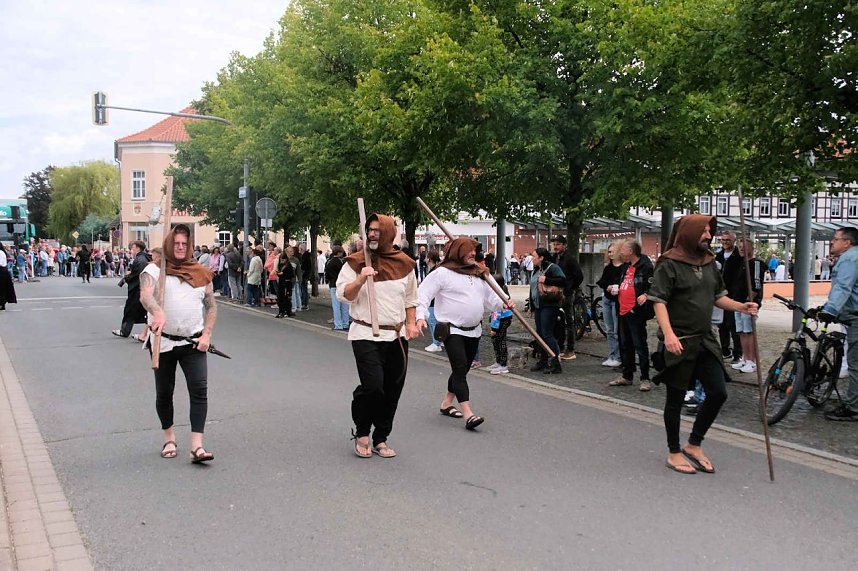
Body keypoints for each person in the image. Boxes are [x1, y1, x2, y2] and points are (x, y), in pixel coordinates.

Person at [649, 215, 758, 474]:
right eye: (704, 232)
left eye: (710, 231)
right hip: (680, 341)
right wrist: (669, 334)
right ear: (689, 233)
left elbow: (719, 297)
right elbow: (659, 300)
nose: (709, 236)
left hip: (705, 339)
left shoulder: (709, 262)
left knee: (718, 392)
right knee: (675, 399)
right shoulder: (669, 264)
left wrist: (742, 306)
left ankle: (694, 444)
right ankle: (674, 451)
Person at [337, 213, 419, 458]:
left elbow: (410, 299)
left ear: (388, 233)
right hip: (365, 332)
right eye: (369, 230)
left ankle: (381, 437)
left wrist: (412, 323)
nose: (372, 234)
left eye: (376, 230)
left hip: (396, 335)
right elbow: (344, 296)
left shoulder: (404, 264)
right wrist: (361, 278)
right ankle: (362, 432)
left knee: (393, 388)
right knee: (374, 387)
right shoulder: (354, 262)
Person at [139, 224, 217, 463]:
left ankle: (197, 446)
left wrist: (206, 335)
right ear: (169, 245)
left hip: (193, 342)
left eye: (184, 244)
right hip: (163, 343)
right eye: (176, 244)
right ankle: (169, 438)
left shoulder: (201, 273)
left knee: (199, 391)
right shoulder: (154, 270)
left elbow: (211, 306)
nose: (181, 248)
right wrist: (157, 312)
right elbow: (145, 296)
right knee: (164, 393)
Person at [417, 237, 513, 429]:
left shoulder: (480, 273)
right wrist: (420, 316)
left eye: (475, 251)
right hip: (451, 330)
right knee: (460, 368)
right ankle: (468, 414)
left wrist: (503, 302)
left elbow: (492, 299)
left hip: (474, 331)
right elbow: (423, 294)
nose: (473, 254)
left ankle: (446, 403)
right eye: (469, 250)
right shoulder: (442, 273)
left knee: (462, 369)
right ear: (459, 251)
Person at [817, 227, 858, 421]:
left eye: (835, 239)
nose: (832, 242)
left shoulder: (850, 258)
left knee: (855, 364)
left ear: (847, 243)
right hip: (851, 314)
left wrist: (829, 311)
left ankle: (853, 408)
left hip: (856, 317)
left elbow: (843, 286)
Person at [609, 239, 654, 391]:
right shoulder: (626, 266)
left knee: (639, 345)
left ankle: (645, 378)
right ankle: (627, 375)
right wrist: (615, 289)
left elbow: (652, 286)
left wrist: (646, 294)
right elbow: (624, 283)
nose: (621, 251)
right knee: (625, 344)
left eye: (624, 249)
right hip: (622, 310)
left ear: (632, 251)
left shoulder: (645, 266)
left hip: (635, 311)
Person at [528, 247, 566, 374]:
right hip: (539, 306)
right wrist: (531, 306)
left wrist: (547, 280)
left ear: (541, 257)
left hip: (549, 305)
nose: (532, 258)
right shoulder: (536, 269)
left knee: (547, 333)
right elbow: (533, 288)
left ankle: (556, 362)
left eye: (534, 256)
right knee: (540, 334)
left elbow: (563, 280)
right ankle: (543, 361)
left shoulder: (552, 267)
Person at [730, 239, 765, 374]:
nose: (741, 249)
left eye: (744, 247)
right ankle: (745, 358)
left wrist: (749, 300)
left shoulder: (755, 263)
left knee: (749, 332)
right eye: (739, 247)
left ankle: (752, 360)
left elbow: (757, 284)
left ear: (752, 248)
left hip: (748, 303)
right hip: (738, 303)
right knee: (742, 331)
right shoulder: (742, 263)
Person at [550, 235, 584, 361]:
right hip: (556, 292)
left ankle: (570, 349)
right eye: (554, 244)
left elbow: (579, 276)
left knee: (568, 320)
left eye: (558, 244)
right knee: (557, 320)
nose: (555, 246)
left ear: (564, 245)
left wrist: (570, 287)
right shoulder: (554, 258)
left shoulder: (570, 259)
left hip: (566, 293)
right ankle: (559, 346)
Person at [112, 240, 151, 340]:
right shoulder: (144, 258)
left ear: (137, 248)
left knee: (130, 310)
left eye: (132, 248)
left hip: (138, 289)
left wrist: (127, 278)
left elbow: (138, 274)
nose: (131, 250)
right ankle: (145, 334)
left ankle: (125, 330)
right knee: (146, 312)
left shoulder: (140, 259)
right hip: (142, 288)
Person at [715, 231, 743, 364]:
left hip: (733, 294)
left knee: (733, 325)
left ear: (733, 241)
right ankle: (725, 349)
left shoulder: (738, 256)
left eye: (728, 240)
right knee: (722, 324)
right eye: (723, 240)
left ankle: (738, 353)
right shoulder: (718, 255)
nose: (725, 242)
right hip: (720, 293)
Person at [595, 239, 625, 368]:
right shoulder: (608, 267)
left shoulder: (624, 268)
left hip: (617, 301)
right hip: (607, 299)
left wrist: (617, 287)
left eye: (612, 251)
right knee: (609, 329)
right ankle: (612, 355)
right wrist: (607, 287)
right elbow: (601, 281)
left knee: (617, 330)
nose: (610, 254)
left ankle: (618, 356)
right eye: (609, 252)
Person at [488, 274, 514, 375]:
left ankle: (503, 365)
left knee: (500, 340)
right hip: (502, 319)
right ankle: (498, 362)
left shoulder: (499, 295)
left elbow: (497, 313)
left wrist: (494, 329)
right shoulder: (501, 292)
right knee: (496, 341)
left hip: (502, 320)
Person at [423, 250, 444, 352]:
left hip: (433, 301)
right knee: (436, 321)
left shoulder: (434, 271)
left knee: (433, 322)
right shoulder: (437, 269)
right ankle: (439, 341)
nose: (425, 259)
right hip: (436, 301)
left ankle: (436, 343)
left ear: (430, 259)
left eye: (426, 257)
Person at [325, 245, 349, 329]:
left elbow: (327, 274)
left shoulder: (330, 262)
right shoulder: (343, 263)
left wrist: (328, 280)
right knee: (345, 305)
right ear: (339, 253)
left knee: (336, 306)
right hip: (343, 284)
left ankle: (338, 324)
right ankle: (345, 323)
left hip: (333, 284)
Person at [275, 246, 296, 318]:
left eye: (283, 260)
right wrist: (278, 273)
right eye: (281, 260)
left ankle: (287, 311)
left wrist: (283, 274)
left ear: (286, 260)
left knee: (286, 298)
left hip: (287, 283)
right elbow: (278, 271)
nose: (281, 262)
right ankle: (281, 311)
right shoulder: (280, 265)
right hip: (281, 283)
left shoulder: (289, 266)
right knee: (280, 298)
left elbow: (291, 275)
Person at [0, 244, 17, 310]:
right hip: (3, 271)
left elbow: (1, 263)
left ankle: (2, 304)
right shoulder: (2, 252)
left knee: (2, 288)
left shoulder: (0, 252)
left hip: (1, 271)